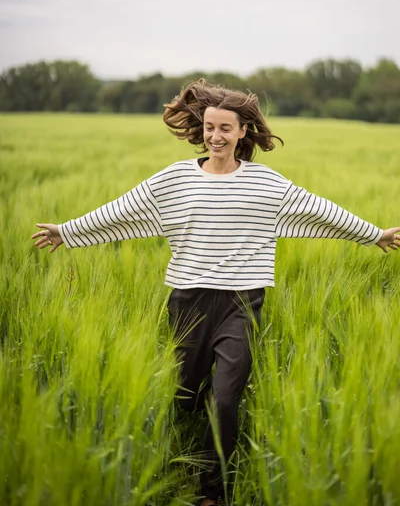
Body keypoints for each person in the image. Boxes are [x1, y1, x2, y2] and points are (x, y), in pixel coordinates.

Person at [32, 78, 400, 506]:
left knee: (226, 397)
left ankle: (213, 490)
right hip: (188, 300)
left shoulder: (266, 184)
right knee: (185, 394)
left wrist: (374, 235)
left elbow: (320, 210)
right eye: (209, 127)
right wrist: (68, 231)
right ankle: (183, 452)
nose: (216, 135)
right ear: (201, 128)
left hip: (243, 304)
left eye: (225, 128)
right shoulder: (175, 180)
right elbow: (122, 209)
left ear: (243, 131)